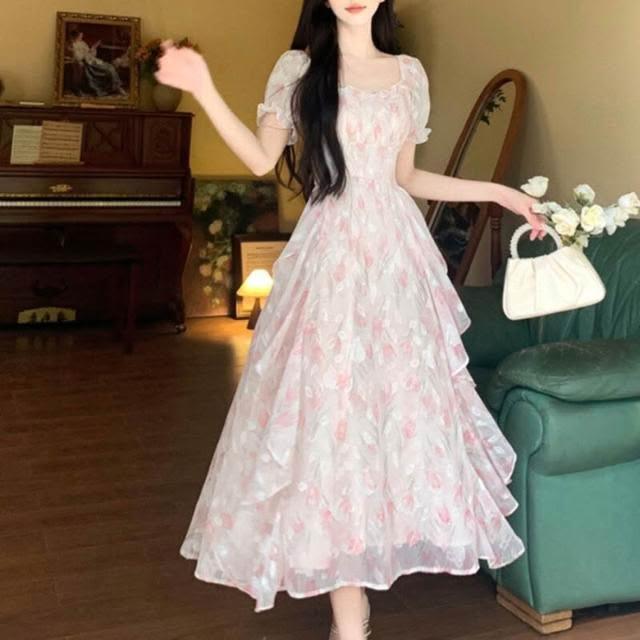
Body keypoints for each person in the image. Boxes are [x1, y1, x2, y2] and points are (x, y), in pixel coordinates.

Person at [155, 2, 546, 639]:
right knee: (331, 422)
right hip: (330, 255)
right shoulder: (299, 68)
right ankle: (350, 618)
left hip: (396, 260)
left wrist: (500, 193)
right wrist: (203, 88)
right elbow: (260, 160)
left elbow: (406, 176)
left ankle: (361, 584)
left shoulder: (409, 73)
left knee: (394, 414)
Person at [68, 29, 127, 97]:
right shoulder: (74, 45)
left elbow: (89, 53)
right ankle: (117, 88)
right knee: (109, 69)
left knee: (110, 67)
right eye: (80, 35)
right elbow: (78, 57)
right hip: (89, 64)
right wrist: (87, 54)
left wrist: (93, 49)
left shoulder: (82, 43)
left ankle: (116, 87)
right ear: (76, 36)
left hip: (92, 61)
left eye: (81, 35)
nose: (82, 36)